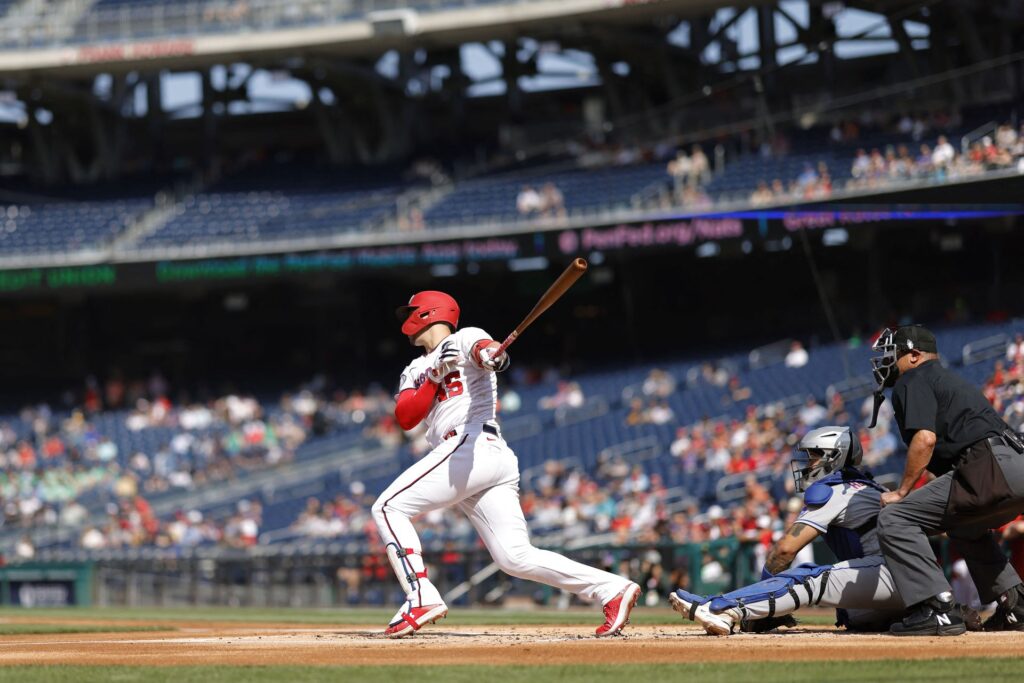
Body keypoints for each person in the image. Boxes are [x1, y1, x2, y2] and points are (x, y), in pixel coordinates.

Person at [373, 291, 640, 638]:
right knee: (514, 557)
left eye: (411, 312)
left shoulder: (464, 335)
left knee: (387, 507)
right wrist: (435, 375)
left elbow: (484, 350)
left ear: (428, 313)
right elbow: (406, 417)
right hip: (475, 457)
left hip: (471, 443)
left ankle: (421, 594)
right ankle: (611, 589)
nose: (406, 322)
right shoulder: (413, 369)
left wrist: (491, 357)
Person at [670, 427, 921, 635]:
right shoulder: (872, 487)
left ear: (834, 457)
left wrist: (764, 588)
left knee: (807, 576)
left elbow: (784, 551)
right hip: (913, 584)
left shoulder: (835, 489)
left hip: (889, 575)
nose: (807, 463)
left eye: (814, 456)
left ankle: (719, 608)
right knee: (852, 615)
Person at [869, 325, 1024, 636]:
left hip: (989, 467)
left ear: (914, 356)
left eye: (893, 353)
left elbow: (925, 440)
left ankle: (936, 607)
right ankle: (1016, 605)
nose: (887, 361)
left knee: (894, 518)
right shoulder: (946, 378)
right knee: (963, 525)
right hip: (1013, 463)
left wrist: (901, 491)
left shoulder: (913, 379)